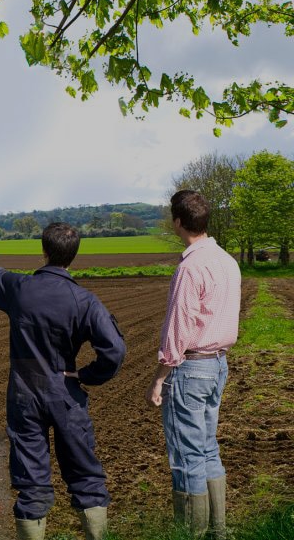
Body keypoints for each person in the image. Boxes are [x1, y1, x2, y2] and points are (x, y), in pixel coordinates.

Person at [0, 223, 126, 540]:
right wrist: (86, 375)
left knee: (31, 482)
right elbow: (115, 351)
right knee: (85, 477)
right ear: (73, 257)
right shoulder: (85, 300)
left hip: (25, 394)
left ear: (44, 251)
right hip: (65, 392)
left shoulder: (20, 288)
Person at [145, 190, 240, 539]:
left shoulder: (190, 267)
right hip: (218, 365)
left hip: (191, 369)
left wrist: (159, 377)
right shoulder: (227, 261)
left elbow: (178, 328)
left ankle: (191, 535)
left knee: (186, 457)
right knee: (207, 448)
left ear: (178, 223)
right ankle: (219, 531)